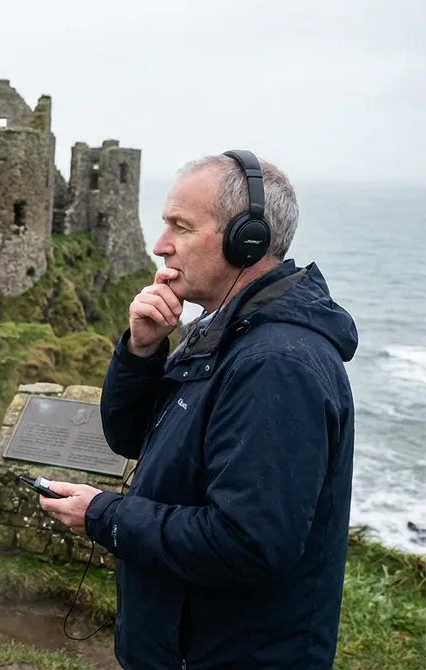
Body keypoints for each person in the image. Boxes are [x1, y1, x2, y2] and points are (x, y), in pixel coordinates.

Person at [38, 151, 358, 669]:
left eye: (180, 227)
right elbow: (130, 437)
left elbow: (249, 543)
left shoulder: (276, 365)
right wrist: (142, 352)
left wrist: (103, 516)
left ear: (245, 239)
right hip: (181, 644)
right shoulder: (218, 329)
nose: (159, 245)